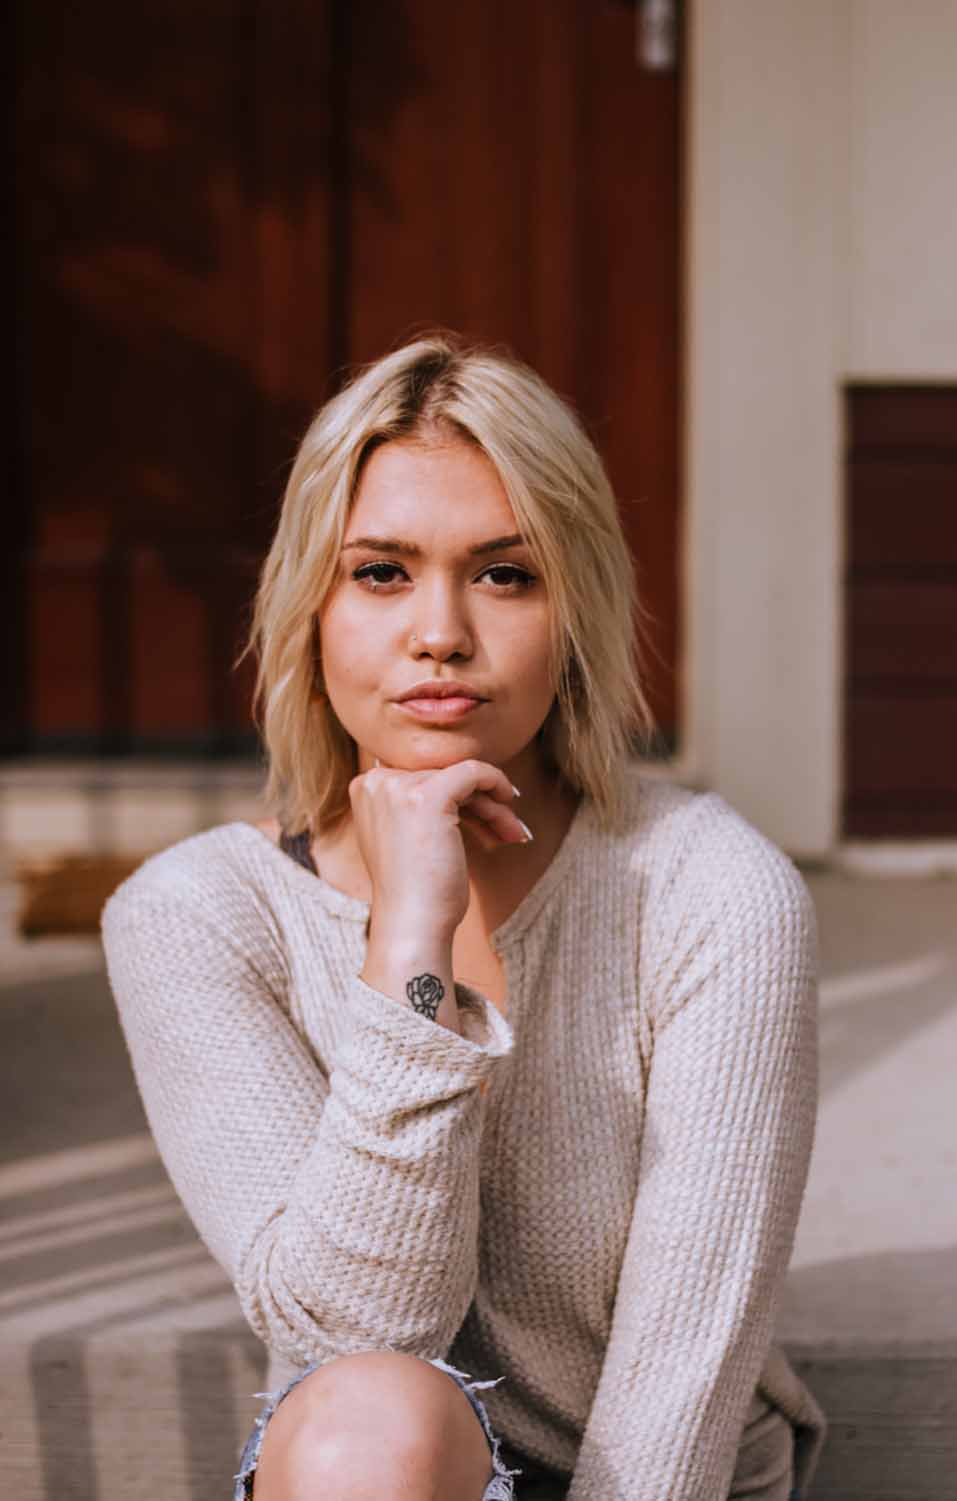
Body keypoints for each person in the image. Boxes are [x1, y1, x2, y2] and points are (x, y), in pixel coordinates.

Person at [101, 334, 827, 1501]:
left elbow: (682, 1370)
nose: (439, 631)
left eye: (504, 573)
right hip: (374, 1477)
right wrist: (409, 945)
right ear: (310, 609)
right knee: (369, 1421)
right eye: (381, 572)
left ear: (574, 609)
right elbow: (363, 1327)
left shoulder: (709, 891)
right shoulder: (196, 917)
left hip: (657, 1481)